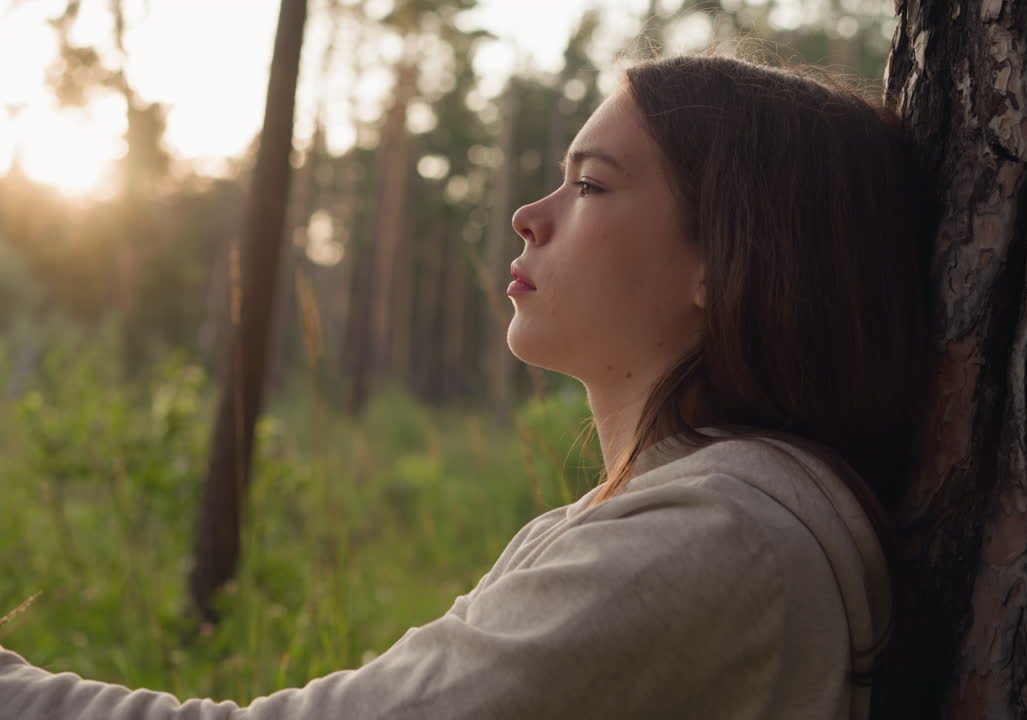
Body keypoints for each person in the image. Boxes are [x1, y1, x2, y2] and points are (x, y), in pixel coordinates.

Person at [0, 54, 933, 719]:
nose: (529, 216)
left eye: (592, 186)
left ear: (726, 258)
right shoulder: (671, 520)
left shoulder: (716, 540)